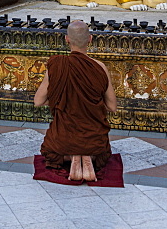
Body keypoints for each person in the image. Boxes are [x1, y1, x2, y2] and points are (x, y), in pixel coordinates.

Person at [34, 19, 117, 182]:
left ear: (67, 39)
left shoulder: (57, 65)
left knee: (52, 152)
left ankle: (73, 156)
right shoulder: (99, 67)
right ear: (90, 39)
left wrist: (58, 101)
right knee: (99, 152)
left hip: (62, 144)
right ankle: (86, 157)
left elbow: (37, 101)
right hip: (95, 144)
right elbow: (112, 106)